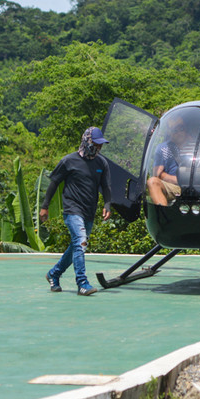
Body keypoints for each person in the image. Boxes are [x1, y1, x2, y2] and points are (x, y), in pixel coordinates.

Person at [40, 127, 113, 296]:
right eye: (96, 144)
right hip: (72, 209)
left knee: (75, 246)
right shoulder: (69, 161)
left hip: (89, 211)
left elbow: (106, 186)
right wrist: (45, 207)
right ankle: (82, 283)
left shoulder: (101, 163)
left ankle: (54, 274)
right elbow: (53, 183)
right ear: (87, 141)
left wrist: (107, 205)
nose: (98, 148)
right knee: (81, 241)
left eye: (100, 145)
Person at [147, 120, 187, 206]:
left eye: (181, 128)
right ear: (169, 132)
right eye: (175, 130)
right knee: (152, 182)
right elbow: (157, 174)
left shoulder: (197, 145)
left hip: (198, 185)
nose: (179, 132)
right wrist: (179, 180)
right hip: (175, 187)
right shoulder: (163, 148)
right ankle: (163, 217)